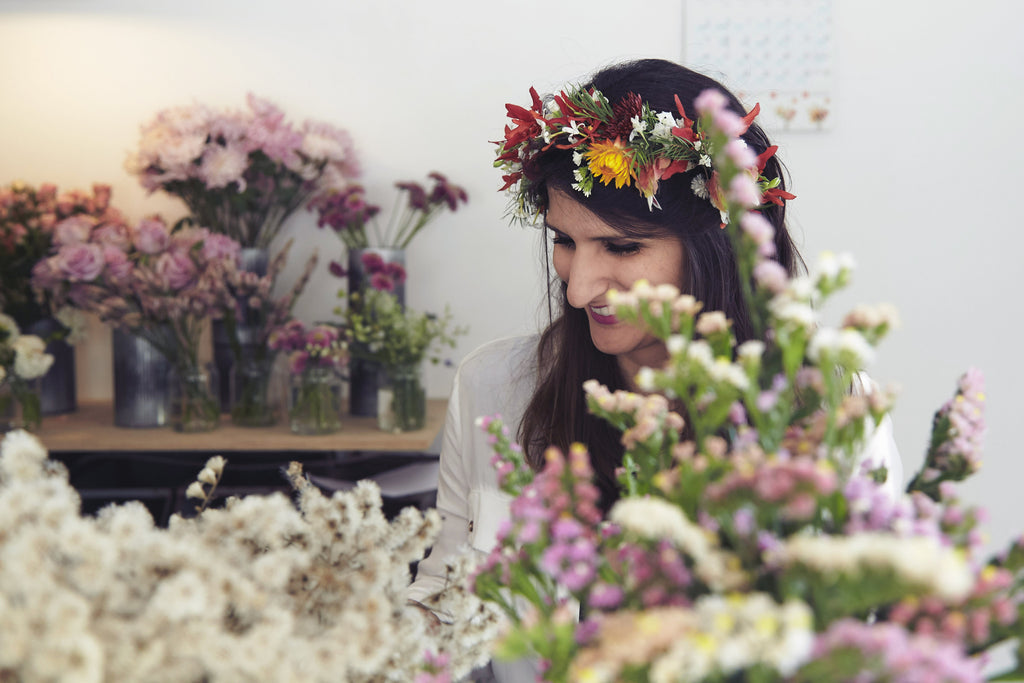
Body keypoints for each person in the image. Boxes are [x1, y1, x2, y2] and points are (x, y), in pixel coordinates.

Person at [407, 58, 901, 680]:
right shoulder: (493, 386)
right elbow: (443, 609)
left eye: (622, 246)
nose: (581, 288)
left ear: (719, 247)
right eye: (564, 241)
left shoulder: (830, 405)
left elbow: (863, 645)